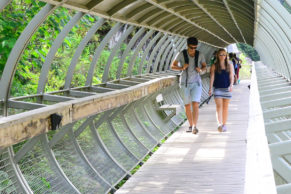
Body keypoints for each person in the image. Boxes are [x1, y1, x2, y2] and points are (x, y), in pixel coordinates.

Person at [171, 37, 207, 134]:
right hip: (184, 83)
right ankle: (191, 125)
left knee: (195, 104)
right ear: (187, 46)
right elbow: (172, 66)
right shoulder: (181, 54)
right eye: (191, 47)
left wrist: (201, 70)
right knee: (187, 105)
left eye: (195, 47)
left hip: (196, 83)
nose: (193, 50)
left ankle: (195, 126)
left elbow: (204, 67)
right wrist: (182, 67)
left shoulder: (200, 55)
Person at [208, 48, 234, 132]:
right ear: (217, 56)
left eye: (224, 54)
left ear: (226, 56)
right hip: (218, 89)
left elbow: (231, 76)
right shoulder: (214, 66)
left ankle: (224, 125)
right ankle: (219, 124)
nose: (222, 56)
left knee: (225, 108)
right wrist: (210, 88)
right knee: (219, 107)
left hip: (227, 88)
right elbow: (212, 77)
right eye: (221, 54)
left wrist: (231, 85)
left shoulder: (229, 64)